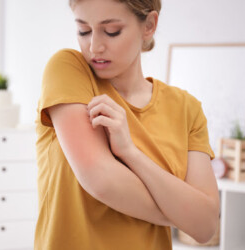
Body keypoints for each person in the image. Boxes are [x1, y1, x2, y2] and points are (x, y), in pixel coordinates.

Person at [34, 0, 220, 249]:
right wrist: (184, 214)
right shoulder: (68, 70)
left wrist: (130, 153)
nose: (94, 46)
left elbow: (206, 226)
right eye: (83, 30)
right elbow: (102, 181)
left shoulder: (186, 109)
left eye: (111, 31)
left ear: (149, 25)